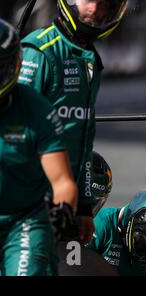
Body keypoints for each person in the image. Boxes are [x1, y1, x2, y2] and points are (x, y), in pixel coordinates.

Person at [18, 0, 131, 245]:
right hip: (28, 201)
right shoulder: (39, 51)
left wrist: (82, 207)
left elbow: (84, 138)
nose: (94, 10)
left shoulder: (90, 60)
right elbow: (14, 131)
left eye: (104, 5)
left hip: (64, 202)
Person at [0, 18, 78, 276]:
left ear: (14, 66)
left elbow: (62, 182)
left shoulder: (38, 110)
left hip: (24, 221)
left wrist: (64, 211)